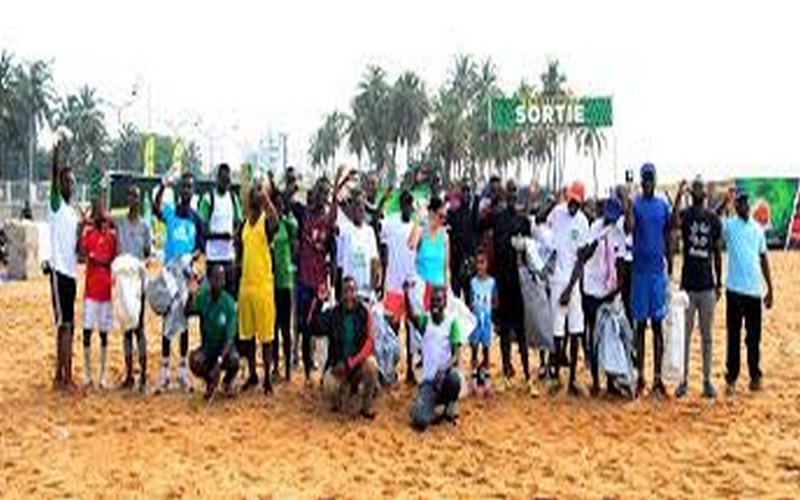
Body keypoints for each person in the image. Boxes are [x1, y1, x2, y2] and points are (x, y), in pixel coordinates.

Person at [296, 167, 349, 384]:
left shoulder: (329, 220)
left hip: (319, 282)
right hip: (303, 280)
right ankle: (308, 371)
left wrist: (337, 185)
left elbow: (333, 251)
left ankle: (326, 365)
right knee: (303, 326)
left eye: (325, 193)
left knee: (321, 324)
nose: (322, 196)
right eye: (319, 192)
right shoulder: (303, 214)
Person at [672, 178, 722, 399]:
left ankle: (707, 380)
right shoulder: (686, 215)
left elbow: (718, 252)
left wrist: (719, 281)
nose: (700, 191)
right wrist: (677, 196)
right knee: (685, 335)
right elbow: (673, 223)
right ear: (693, 193)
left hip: (707, 286)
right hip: (688, 286)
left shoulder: (713, 219)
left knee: (707, 336)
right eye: (697, 188)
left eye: (702, 188)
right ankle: (683, 381)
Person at [154, 171, 205, 390]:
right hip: (168, 274)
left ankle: (183, 372)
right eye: (183, 186)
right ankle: (165, 372)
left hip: (185, 276)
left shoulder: (196, 219)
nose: (186, 190)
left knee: (183, 323)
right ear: (179, 190)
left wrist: (191, 259)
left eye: (189, 187)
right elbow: (156, 209)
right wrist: (162, 185)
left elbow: (201, 247)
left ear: (193, 191)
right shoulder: (171, 212)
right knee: (167, 322)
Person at [721, 189, 774, 394]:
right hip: (734, 291)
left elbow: (763, 258)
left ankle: (755, 376)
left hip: (754, 292)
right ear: (736, 206)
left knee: (754, 338)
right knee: (733, 338)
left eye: (745, 202)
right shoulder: (730, 226)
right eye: (739, 202)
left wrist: (770, 289)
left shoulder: (758, 230)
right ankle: (731, 379)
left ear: (749, 205)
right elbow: (715, 223)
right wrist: (725, 202)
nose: (743, 205)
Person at [628, 163, 672, 398]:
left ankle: (657, 379)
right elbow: (629, 227)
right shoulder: (635, 205)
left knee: (657, 327)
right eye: (644, 179)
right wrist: (627, 205)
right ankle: (641, 377)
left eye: (650, 179)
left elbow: (670, 232)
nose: (647, 182)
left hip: (657, 273)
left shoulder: (663, 205)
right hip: (639, 273)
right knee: (640, 327)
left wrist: (671, 267)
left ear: (655, 180)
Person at [545, 181, 590, 395]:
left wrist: (570, 288)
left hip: (573, 282)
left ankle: (572, 379)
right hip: (556, 280)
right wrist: (553, 200)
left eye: (577, 202)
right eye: (571, 200)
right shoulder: (557, 212)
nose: (573, 205)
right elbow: (541, 221)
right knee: (556, 331)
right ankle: (556, 377)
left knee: (576, 331)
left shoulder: (583, 222)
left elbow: (581, 260)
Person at [312, 276, 378, 419]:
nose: (349, 295)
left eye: (352, 291)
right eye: (346, 291)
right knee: (329, 386)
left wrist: (351, 363)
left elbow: (370, 342)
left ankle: (366, 407)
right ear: (341, 294)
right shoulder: (333, 314)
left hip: (357, 365)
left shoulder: (364, 312)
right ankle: (343, 393)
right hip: (339, 367)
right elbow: (313, 326)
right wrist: (318, 301)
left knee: (372, 365)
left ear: (357, 293)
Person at [236, 182, 279, 394]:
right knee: (248, 336)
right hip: (246, 286)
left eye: (258, 193)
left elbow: (275, 222)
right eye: (253, 193)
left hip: (263, 286)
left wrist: (267, 200)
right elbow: (238, 254)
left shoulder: (265, 221)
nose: (256, 196)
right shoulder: (243, 223)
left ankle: (268, 379)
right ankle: (253, 374)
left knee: (267, 337)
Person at [581, 197, 627, 396]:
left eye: (613, 219)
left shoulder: (619, 233)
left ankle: (610, 381)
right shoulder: (594, 227)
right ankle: (595, 381)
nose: (609, 222)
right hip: (591, 289)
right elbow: (584, 255)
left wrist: (615, 291)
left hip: (609, 291)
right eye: (607, 218)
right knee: (593, 335)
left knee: (609, 336)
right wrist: (598, 238)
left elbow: (622, 266)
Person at [492, 182, 534, 394]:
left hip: (519, 284)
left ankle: (527, 375)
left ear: (517, 195)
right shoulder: (498, 220)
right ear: (504, 195)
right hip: (502, 281)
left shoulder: (524, 222)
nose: (511, 195)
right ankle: (507, 372)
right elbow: (494, 251)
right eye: (508, 192)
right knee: (505, 332)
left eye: (514, 192)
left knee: (522, 332)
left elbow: (530, 253)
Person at [47, 137, 81, 394]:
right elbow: (54, 171)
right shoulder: (56, 204)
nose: (70, 184)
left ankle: (61, 375)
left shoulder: (72, 211)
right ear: (60, 184)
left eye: (72, 181)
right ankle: (66, 378)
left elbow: (77, 248)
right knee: (66, 326)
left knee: (66, 326)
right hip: (59, 273)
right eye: (67, 181)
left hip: (71, 273)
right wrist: (57, 150)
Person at [406, 285, 463, 431]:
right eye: (432, 301)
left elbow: (456, 355)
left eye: (439, 300)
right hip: (429, 383)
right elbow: (412, 316)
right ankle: (436, 410)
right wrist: (406, 294)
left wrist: (444, 369)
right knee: (419, 421)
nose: (435, 304)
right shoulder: (426, 321)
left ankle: (448, 405)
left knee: (455, 379)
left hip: (444, 380)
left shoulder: (452, 323)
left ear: (445, 303)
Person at [116, 185, 152, 391]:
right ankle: (129, 375)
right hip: (123, 283)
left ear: (140, 201)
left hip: (138, 282)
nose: (133, 200)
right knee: (126, 330)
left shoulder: (145, 227)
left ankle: (144, 376)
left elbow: (148, 253)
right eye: (130, 195)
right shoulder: (119, 223)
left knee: (139, 328)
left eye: (137, 197)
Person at [79, 196, 117, 389]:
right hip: (91, 292)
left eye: (102, 209)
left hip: (106, 293)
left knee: (103, 334)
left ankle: (102, 375)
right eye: (97, 209)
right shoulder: (89, 234)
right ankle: (87, 373)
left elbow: (113, 260)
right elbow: (81, 252)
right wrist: (83, 223)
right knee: (86, 332)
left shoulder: (112, 237)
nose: (100, 212)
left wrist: (99, 261)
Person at [187, 265, 240, 401]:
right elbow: (187, 312)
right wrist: (191, 294)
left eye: (221, 279)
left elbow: (229, 339)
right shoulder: (203, 297)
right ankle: (210, 380)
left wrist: (219, 362)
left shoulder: (229, 303)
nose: (218, 282)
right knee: (194, 360)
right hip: (208, 349)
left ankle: (226, 382)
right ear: (209, 280)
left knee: (235, 360)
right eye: (215, 278)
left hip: (224, 352)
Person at [381, 190, 417, 383]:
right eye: (404, 203)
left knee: (411, 330)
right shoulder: (391, 224)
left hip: (410, 286)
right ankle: (392, 370)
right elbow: (383, 249)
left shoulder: (415, 227)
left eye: (409, 204)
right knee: (392, 331)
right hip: (393, 286)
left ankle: (410, 369)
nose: (406, 207)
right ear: (400, 205)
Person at [198, 163, 243, 297]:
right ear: (217, 179)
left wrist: (234, 234)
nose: (226, 183)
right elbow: (203, 230)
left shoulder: (233, 199)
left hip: (229, 258)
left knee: (229, 299)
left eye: (228, 180)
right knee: (212, 299)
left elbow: (238, 222)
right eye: (223, 180)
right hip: (213, 258)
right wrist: (221, 236)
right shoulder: (208, 199)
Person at [270, 190, 298, 383]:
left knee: (285, 328)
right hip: (268, 284)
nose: (276, 209)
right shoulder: (267, 227)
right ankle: (274, 367)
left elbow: (295, 247)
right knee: (271, 328)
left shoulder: (288, 225)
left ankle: (287, 367)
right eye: (274, 205)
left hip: (285, 283)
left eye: (279, 205)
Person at [340, 192, 381, 301]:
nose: (360, 208)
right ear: (352, 207)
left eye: (362, 205)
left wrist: (373, 289)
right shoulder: (343, 230)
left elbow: (374, 261)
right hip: (348, 295)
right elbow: (338, 264)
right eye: (357, 204)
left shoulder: (369, 231)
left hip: (365, 293)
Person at [411, 196, 449, 307]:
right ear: (431, 213)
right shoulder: (421, 232)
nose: (443, 220)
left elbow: (446, 268)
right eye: (440, 216)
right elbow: (411, 245)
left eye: (445, 217)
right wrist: (417, 221)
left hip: (439, 290)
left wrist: (447, 289)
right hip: (422, 290)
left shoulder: (445, 236)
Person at [468, 249, 497, 392]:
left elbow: (495, 301)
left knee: (486, 349)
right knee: (474, 348)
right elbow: (470, 301)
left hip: (486, 320)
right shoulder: (472, 282)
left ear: (487, 265)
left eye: (482, 262)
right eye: (477, 263)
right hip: (475, 321)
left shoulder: (492, 282)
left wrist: (490, 312)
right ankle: (474, 375)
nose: (480, 266)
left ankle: (485, 375)